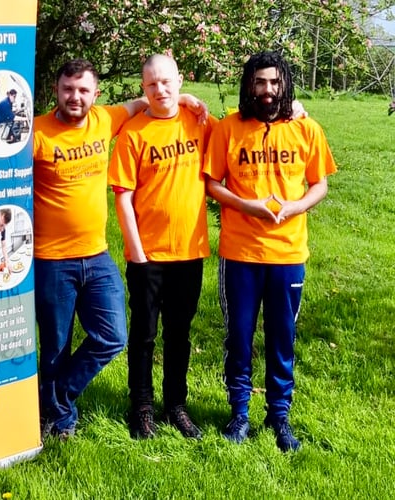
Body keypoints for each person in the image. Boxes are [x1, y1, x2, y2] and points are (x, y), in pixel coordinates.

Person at [32, 58, 208, 440]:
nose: (75, 97)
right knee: (55, 348)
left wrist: (187, 97)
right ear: (55, 92)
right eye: (67, 89)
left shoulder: (106, 119)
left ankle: (52, 400)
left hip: (96, 255)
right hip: (50, 259)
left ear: (96, 94)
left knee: (113, 336)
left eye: (83, 90)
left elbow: (150, 101)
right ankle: (61, 421)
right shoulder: (37, 133)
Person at [203, 51, 337, 452]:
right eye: (260, 82)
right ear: (249, 85)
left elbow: (320, 184)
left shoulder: (306, 128)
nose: (267, 90)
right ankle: (239, 414)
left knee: (282, 338)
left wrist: (294, 208)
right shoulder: (229, 128)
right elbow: (212, 183)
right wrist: (248, 206)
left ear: (285, 85)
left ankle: (280, 417)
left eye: (274, 82)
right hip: (240, 253)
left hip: (288, 253)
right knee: (239, 338)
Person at [109, 54, 217, 440]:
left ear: (180, 80)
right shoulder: (134, 133)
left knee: (179, 334)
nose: (161, 90)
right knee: (144, 335)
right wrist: (136, 253)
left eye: (167, 82)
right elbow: (123, 197)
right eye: (152, 84)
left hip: (189, 251)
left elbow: (242, 135)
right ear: (143, 88)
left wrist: (298, 112)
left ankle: (176, 405)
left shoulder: (199, 122)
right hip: (148, 254)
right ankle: (140, 407)